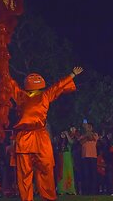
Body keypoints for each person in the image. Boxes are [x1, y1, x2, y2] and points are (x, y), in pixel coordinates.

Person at [9, 67, 83, 201]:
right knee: (26, 174)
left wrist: (72, 75)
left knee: (45, 170)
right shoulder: (25, 95)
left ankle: (48, 198)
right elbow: (57, 86)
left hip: (37, 138)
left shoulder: (39, 95)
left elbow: (57, 86)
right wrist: (72, 74)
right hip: (27, 138)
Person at [78, 122, 99, 195]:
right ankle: (85, 191)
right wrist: (86, 136)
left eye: (90, 127)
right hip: (84, 156)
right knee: (85, 174)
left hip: (93, 156)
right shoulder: (82, 135)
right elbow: (81, 142)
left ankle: (93, 191)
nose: (88, 128)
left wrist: (87, 135)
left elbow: (91, 138)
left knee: (93, 174)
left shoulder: (95, 134)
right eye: (88, 127)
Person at [57, 130, 76, 195]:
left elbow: (71, 142)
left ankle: (70, 189)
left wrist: (67, 134)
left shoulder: (68, 140)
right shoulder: (59, 140)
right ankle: (62, 190)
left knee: (69, 172)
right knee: (61, 173)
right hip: (61, 157)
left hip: (67, 157)